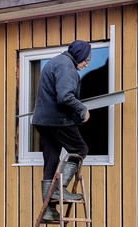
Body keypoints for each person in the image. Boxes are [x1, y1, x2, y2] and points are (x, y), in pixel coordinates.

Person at [32, 40, 91, 221]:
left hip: (43, 121)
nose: (87, 64)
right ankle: (58, 190)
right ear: (79, 56)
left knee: (51, 161)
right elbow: (65, 96)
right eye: (86, 60)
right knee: (80, 150)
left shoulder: (54, 62)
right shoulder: (67, 66)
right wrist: (82, 109)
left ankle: (49, 212)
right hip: (57, 121)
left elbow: (55, 96)